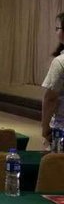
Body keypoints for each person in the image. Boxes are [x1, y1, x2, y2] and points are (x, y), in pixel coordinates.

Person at [42, 13, 64, 146]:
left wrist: (45, 128)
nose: (56, 32)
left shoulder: (60, 62)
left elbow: (50, 98)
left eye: (57, 28)